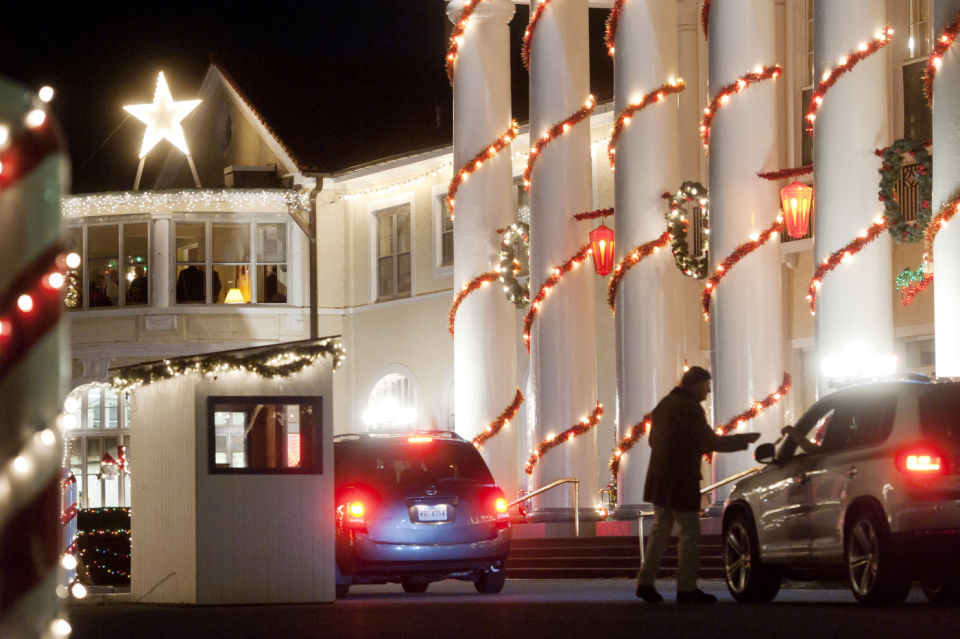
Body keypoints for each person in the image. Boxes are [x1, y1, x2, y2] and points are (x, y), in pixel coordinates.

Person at [635, 366, 761, 604]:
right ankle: (687, 587)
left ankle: (645, 581)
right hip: (682, 478)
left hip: (659, 478)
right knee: (689, 532)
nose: (708, 391)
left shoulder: (663, 405)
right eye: (705, 386)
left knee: (661, 530)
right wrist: (744, 440)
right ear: (694, 385)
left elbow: (653, 440)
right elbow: (708, 440)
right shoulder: (690, 408)